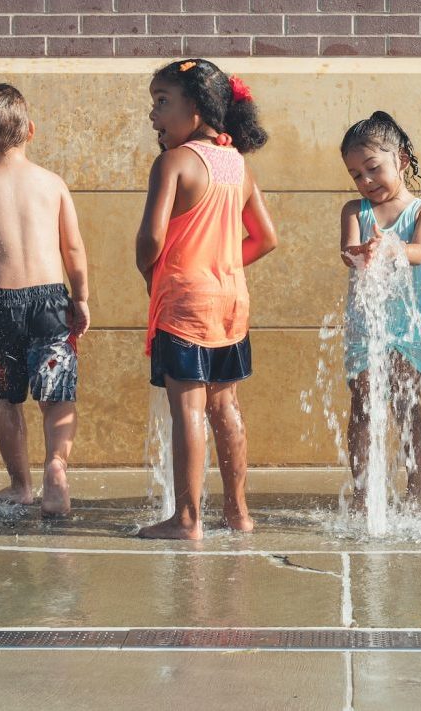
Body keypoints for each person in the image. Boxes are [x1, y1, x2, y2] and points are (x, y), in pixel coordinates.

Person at [136, 59, 277, 540]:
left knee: (189, 412)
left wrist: (148, 268)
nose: (152, 116)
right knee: (226, 407)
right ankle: (238, 513)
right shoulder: (238, 164)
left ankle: (187, 518)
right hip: (231, 301)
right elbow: (265, 239)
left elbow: (151, 241)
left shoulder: (173, 162)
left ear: (194, 109)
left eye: (161, 102)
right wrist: (222, 262)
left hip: (185, 302)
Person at [0, 84, 89, 518]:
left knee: (5, 398)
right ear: (31, 130)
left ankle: (20, 485)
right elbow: (74, 250)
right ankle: (56, 467)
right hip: (50, 302)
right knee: (57, 394)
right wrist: (80, 299)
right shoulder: (52, 184)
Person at [340, 111, 421, 509]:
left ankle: (416, 492)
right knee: (362, 404)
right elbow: (347, 252)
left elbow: (420, 251)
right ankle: (364, 493)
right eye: (355, 175)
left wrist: (391, 247)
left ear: (401, 160)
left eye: (372, 169)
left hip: (405, 326)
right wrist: (360, 252)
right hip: (365, 326)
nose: (365, 182)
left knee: (407, 404)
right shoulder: (354, 210)